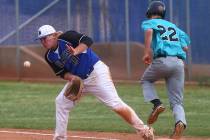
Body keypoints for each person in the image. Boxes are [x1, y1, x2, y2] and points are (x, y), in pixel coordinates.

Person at [36, 24, 154, 140]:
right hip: (79, 79)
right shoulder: (49, 56)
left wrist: (75, 51)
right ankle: (60, 138)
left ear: (54, 36)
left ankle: (144, 131)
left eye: (45, 38)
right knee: (61, 102)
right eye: (41, 40)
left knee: (116, 104)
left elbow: (88, 40)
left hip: (96, 73)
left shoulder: (67, 37)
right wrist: (72, 78)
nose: (43, 42)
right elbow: (62, 73)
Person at [140, 1, 190, 139]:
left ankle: (157, 104)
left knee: (146, 80)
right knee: (177, 102)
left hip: (162, 60)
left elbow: (149, 31)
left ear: (150, 12)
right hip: (179, 64)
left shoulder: (150, 22)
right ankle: (180, 122)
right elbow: (185, 47)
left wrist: (146, 52)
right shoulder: (175, 27)